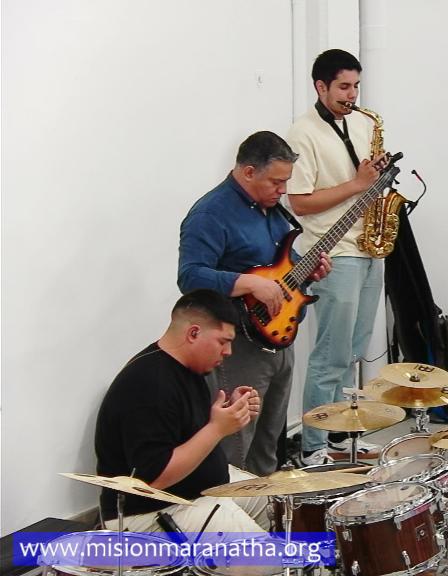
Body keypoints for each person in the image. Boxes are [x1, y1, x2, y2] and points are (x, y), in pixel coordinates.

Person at [178, 131, 331, 475]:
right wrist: (246, 283)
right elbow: (189, 277)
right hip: (238, 345)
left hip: (279, 339)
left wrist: (307, 272)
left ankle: (266, 502)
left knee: (269, 441)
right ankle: (229, 506)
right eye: (276, 182)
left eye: (286, 181)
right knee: (236, 443)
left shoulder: (273, 212)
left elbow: (280, 269)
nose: (283, 190)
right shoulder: (210, 214)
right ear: (248, 172)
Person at [286, 49, 386, 466]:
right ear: (320, 86)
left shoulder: (363, 124)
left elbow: (366, 182)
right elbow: (299, 202)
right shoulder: (301, 134)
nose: (352, 95)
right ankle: (313, 447)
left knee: (353, 352)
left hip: (368, 247)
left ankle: (341, 437)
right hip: (331, 252)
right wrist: (358, 184)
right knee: (330, 356)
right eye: (344, 86)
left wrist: (378, 178)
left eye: (356, 86)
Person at [95, 289, 268, 533]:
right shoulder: (149, 384)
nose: (229, 352)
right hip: (150, 511)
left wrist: (229, 412)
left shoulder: (188, 368)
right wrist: (217, 428)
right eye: (223, 341)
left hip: (196, 492)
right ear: (193, 333)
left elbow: (185, 430)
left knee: (275, 502)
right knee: (263, 552)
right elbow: (154, 478)